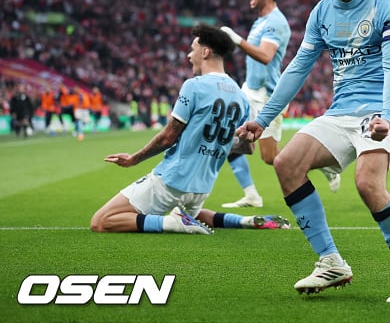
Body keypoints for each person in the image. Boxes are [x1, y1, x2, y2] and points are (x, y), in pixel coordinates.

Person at [236, 0, 390, 303]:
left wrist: (387, 115)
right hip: (342, 110)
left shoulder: (387, 3)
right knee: (286, 163)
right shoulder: (323, 11)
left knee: (368, 184)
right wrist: (262, 120)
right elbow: (298, 67)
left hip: (380, 108)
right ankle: (331, 262)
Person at [91, 24, 290, 234]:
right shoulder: (241, 97)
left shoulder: (194, 85)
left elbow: (168, 137)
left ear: (205, 52)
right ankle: (244, 221)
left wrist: (134, 159)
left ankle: (173, 223)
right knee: (193, 213)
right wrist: (224, 142)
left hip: (173, 179)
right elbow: (248, 148)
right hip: (201, 189)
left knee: (101, 221)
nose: (188, 55)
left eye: (192, 49)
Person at [221, 0, 340, 208]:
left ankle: (322, 165)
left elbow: (266, 56)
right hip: (250, 91)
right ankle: (251, 194)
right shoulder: (260, 21)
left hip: (267, 96)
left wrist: (236, 40)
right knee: (228, 137)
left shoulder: (276, 22)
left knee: (270, 157)